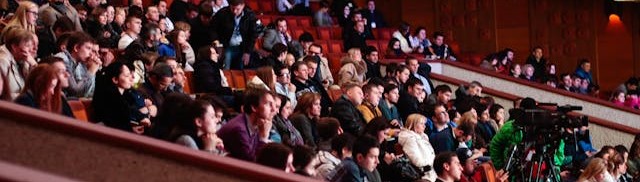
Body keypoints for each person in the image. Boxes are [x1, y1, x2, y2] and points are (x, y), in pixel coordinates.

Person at [92, 62, 154, 134]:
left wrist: (141, 118)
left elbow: (130, 110)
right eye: (127, 76)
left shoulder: (124, 95)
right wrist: (131, 130)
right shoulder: (109, 99)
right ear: (115, 79)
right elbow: (113, 125)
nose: (132, 78)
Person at [217, 88, 274, 161]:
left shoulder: (255, 122)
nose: (273, 109)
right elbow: (252, 161)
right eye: (268, 104)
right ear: (254, 107)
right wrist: (263, 137)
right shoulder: (238, 129)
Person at [210, 0, 258, 70]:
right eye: (232, 8)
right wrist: (216, 41)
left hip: (243, 47)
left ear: (243, 6)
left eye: (238, 9)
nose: (235, 11)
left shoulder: (249, 15)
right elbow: (212, 28)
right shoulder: (222, 13)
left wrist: (247, 52)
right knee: (226, 68)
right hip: (226, 46)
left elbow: (253, 35)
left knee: (240, 70)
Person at [0, 28, 37, 99]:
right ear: (14, 47)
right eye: (27, 46)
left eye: (31, 46)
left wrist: (34, 65)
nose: (31, 49)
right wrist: (24, 97)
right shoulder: (2, 61)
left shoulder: (23, 61)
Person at [398, 114, 437, 181]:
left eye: (424, 123)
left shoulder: (423, 137)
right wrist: (434, 164)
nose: (424, 126)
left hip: (433, 171)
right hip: (425, 175)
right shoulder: (410, 139)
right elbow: (418, 161)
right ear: (413, 124)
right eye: (421, 123)